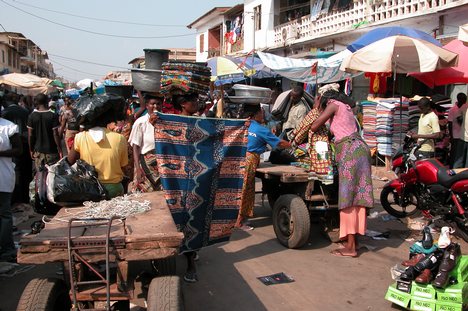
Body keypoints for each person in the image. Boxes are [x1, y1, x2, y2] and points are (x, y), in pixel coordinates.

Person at [307, 86, 374, 257]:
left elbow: (314, 126)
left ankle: (350, 247)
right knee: (359, 196)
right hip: (360, 148)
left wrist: (315, 109)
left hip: (349, 151)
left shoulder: (332, 104)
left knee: (348, 198)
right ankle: (355, 241)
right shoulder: (346, 106)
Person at [235, 105, 290, 230]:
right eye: (261, 112)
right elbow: (280, 143)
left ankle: (235, 217)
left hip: (238, 157)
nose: (263, 114)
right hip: (249, 160)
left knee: (239, 188)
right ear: (255, 115)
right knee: (246, 190)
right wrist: (293, 145)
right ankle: (239, 221)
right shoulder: (260, 129)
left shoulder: (245, 124)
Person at [68, 109, 128, 199]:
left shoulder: (80, 137)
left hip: (90, 189)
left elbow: (70, 161)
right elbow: (123, 165)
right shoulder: (119, 138)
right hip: (115, 189)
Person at [1, 92, 32, 204]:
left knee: (16, 173)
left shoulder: (5, 114)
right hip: (24, 145)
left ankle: (17, 199)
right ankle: (25, 198)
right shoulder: (25, 111)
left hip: (11, 149)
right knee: (25, 173)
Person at [128, 94, 162, 192]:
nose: (155, 106)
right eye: (153, 104)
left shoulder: (165, 121)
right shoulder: (141, 122)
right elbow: (135, 146)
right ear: (147, 105)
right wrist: (138, 169)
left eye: (158, 104)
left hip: (161, 162)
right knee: (144, 193)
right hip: (145, 162)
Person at [0, 116, 22, 261]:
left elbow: (18, 150)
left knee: (4, 214)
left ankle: (7, 249)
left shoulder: (9, 127)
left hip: (3, 176)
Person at [27, 94, 62, 172]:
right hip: (52, 151)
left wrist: (31, 149)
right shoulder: (53, 115)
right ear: (47, 101)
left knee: (39, 176)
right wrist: (59, 149)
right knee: (52, 176)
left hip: (38, 152)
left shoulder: (32, 116)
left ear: (36, 102)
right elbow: (55, 134)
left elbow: (30, 135)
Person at [448, 93, 467, 168]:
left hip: (463, 136)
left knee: (462, 154)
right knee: (454, 154)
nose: (464, 101)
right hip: (455, 135)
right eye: (463, 99)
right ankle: (452, 169)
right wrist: (451, 136)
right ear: (459, 99)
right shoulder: (453, 110)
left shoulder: (466, 108)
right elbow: (450, 123)